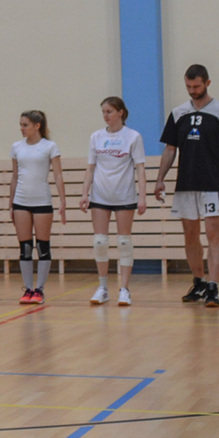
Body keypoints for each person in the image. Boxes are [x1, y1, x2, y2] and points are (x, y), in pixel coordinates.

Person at [154, 63, 219, 309]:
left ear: (207, 83)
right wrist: (160, 178)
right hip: (186, 183)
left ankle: (213, 286)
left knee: (213, 232)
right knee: (190, 234)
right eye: (188, 86)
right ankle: (199, 282)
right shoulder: (178, 113)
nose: (192, 90)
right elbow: (170, 149)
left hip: (212, 182)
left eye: (196, 86)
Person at [82, 96, 147, 306]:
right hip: (100, 195)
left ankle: (124, 289)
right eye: (103, 112)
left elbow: (140, 169)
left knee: (124, 242)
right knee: (100, 242)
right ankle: (102, 288)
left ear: (121, 112)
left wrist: (142, 196)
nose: (105, 116)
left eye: (109, 111)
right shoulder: (96, 137)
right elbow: (91, 168)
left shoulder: (133, 137)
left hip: (124, 195)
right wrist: (85, 193)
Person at [8, 110, 67, 305]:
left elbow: (58, 175)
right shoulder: (17, 147)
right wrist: (11, 203)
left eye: (25, 125)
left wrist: (63, 201)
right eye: (20, 125)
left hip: (42, 201)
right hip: (21, 201)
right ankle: (28, 289)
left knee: (42, 246)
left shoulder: (49, 146)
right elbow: (15, 176)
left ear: (37, 126)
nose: (21, 128)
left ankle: (40, 289)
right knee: (25, 247)